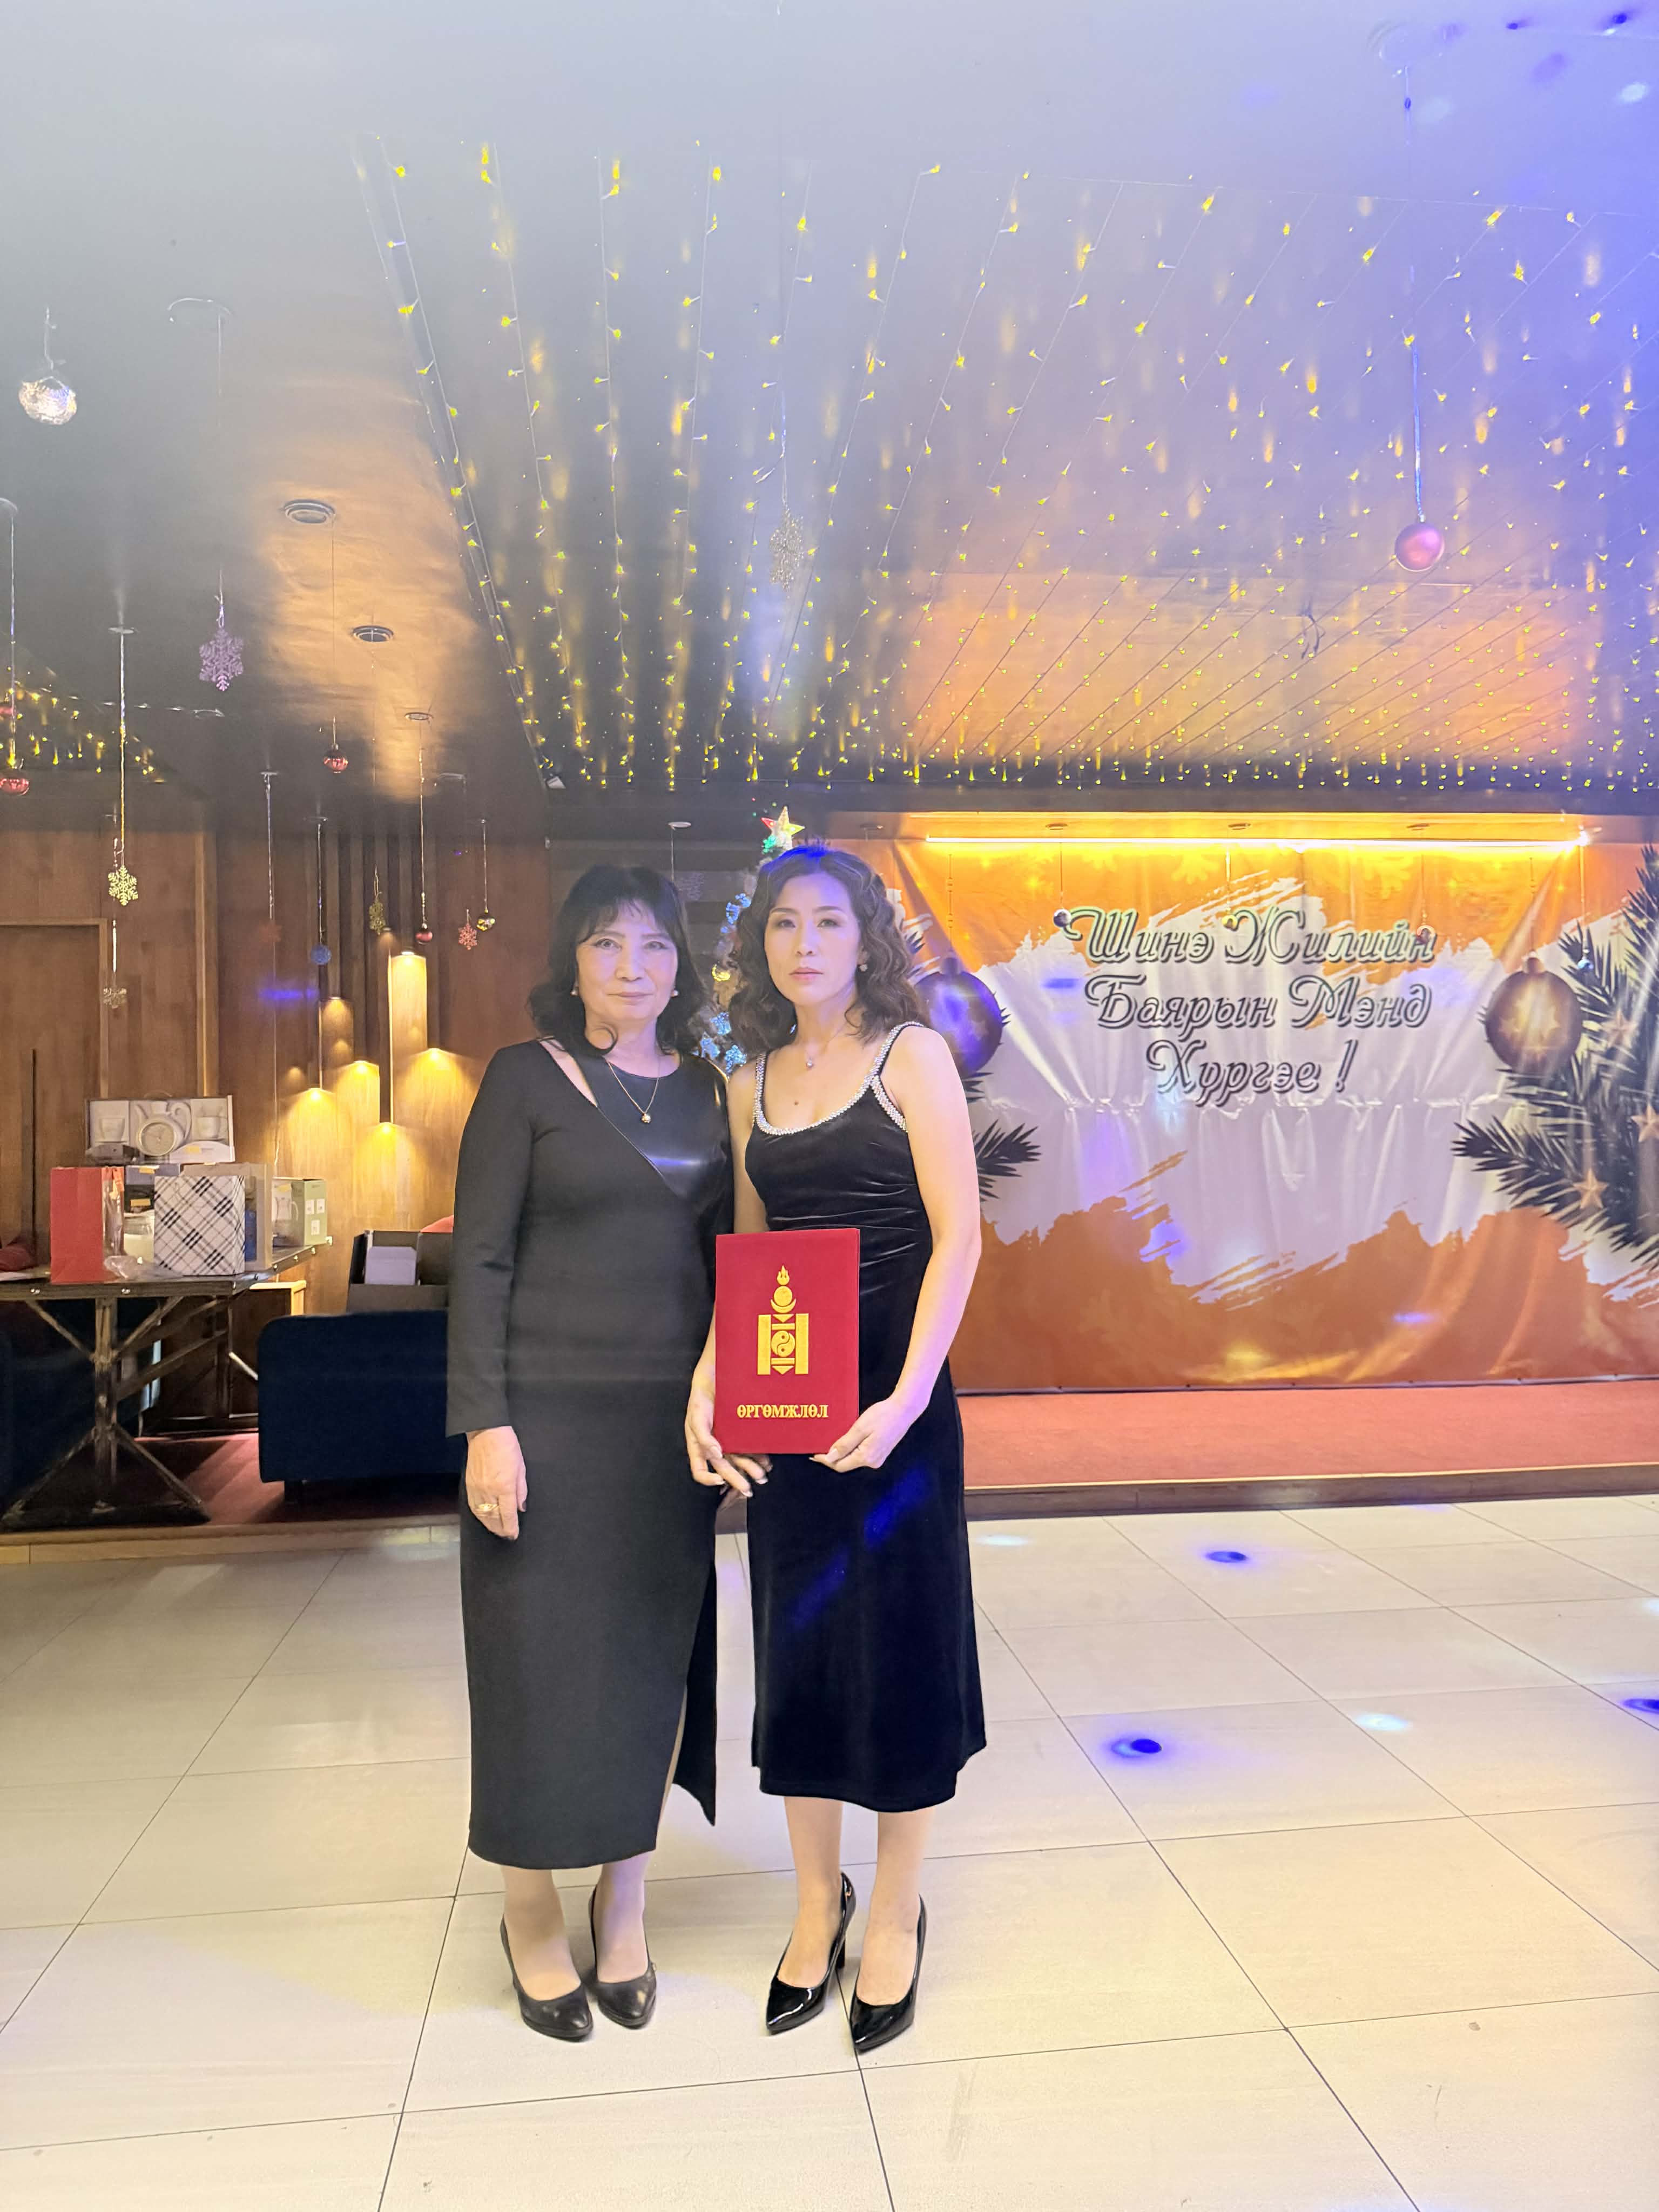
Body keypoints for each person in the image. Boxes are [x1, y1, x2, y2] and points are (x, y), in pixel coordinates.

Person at [685, 842, 985, 2054]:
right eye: (781, 923)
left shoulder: (913, 1056)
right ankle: (819, 1901)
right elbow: (750, 1252)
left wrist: (908, 1398)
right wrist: (712, 1379)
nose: (802, 943)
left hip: (898, 1404)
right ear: (758, 944)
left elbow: (959, 1239)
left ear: (866, 938)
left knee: (904, 1649)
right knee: (799, 1645)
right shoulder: (748, 1082)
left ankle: (899, 1907)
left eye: (826, 921)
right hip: (787, 1397)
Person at [448, 864, 756, 2040]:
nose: (634, 966)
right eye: (607, 943)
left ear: (683, 968)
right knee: (530, 1667)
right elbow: (479, 1261)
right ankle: (530, 1910)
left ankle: (624, 1902)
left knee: (645, 1668)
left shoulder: (711, 1092)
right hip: (539, 1424)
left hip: (664, 1433)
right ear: (571, 962)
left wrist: (739, 1399)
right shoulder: (523, 1078)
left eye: (655, 945)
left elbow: (738, 1263)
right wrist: (486, 1423)